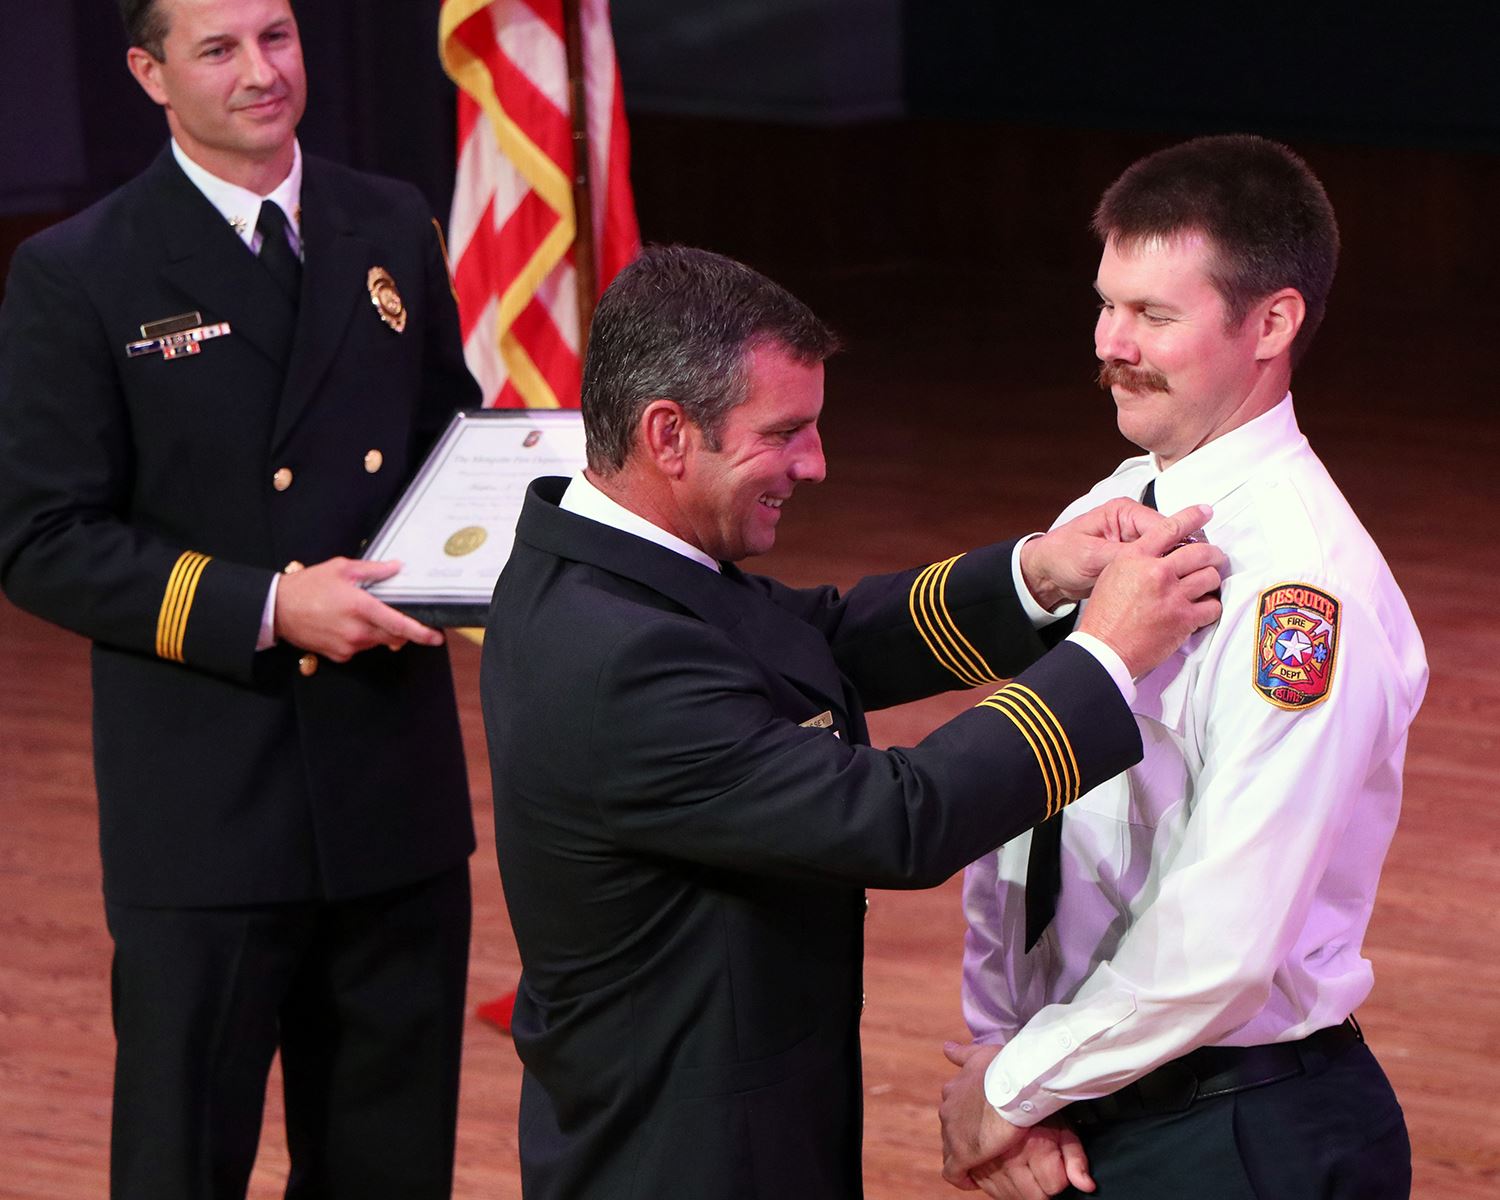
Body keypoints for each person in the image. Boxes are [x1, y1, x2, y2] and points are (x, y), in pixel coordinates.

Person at [480, 243, 1225, 1198]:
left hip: (724, 1102)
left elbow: (825, 637)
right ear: (668, 434)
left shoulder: (618, 570)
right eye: (785, 432)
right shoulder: (616, 656)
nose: (816, 464)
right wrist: (1107, 657)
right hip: (684, 1152)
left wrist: (1037, 573)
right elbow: (895, 820)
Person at [0, 1, 478, 1196]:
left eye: (278, 36)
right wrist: (267, 606)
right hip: (209, 795)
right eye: (219, 49)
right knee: (182, 1159)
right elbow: (41, 538)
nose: (262, 72)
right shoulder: (78, 272)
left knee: (390, 1161)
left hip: (389, 779)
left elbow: (441, 445)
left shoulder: (389, 220)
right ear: (147, 73)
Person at [940, 134, 1428, 1200]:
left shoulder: (1304, 592)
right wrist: (1002, 1054)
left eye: (1155, 315)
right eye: (1108, 303)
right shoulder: (1100, 513)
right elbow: (1031, 819)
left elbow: (1225, 937)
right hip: (1090, 1099)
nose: (1111, 342)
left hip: (1238, 1132)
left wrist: (1014, 1085)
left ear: (1272, 323)